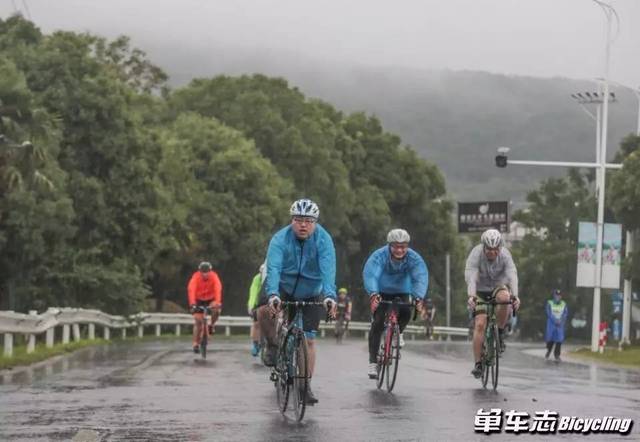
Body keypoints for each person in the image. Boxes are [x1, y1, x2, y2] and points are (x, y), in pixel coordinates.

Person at [262, 198, 337, 405]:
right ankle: (272, 344)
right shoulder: (280, 239)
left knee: (309, 339)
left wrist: (330, 296)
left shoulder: (324, 240)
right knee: (263, 311)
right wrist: (273, 294)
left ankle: (305, 386)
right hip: (283, 287)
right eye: (298, 220)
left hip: (311, 290)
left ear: (315, 222)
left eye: (309, 220)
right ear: (292, 220)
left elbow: (328, 270)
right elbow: (274, 268)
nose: (303, 224)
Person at [363, 228, 429, 379]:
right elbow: (371, 273)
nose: (399, 250)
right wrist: (373, 293)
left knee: (406, 311)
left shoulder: (414, 258)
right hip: (381, 290)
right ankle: (373, 362)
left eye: (403, 246)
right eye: (396, 246)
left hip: (402, 290)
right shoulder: (379, 256)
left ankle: (398, 332)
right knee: (378, 322)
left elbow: (420, 277)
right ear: (389, 245)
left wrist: (418, 297)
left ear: (408, 246)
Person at [465, 229, 520, 378]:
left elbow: (512, 275)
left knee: (505, 298)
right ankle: (478, 364)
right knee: (480, 324)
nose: (492, 252)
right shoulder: (476, 254)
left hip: (498, 286)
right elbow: (471, 278)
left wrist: (515, 296)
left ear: (500, 248)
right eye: (489, 249)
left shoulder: (506, 255)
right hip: (480, 290)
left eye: (495, 249)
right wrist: (471, 296)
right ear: (483, 247)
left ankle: (500, 333)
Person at [187, 261, 223, 354]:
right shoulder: (195, 277)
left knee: (217, 310)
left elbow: (218, 289)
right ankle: (195, 343)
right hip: (198, 299)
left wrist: (218, 302)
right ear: (200, 271)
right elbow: (191, 290)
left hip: (211, 299)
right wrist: (192, 304)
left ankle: (212, 325)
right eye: (203, 272)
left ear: (210, 271)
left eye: (207, 272)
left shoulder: (214, 277)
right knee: (198, 321)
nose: (205, 274)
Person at [247, 262, 266, 357]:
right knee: (256, 323)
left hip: (269, 302)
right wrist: (251, 306)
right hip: (258, 303)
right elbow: (253, 292)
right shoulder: (257, 279)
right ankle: (255, 344)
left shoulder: (272, 278)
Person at [545, 289, 568, 361]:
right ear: (554, 296)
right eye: (556, 295)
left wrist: (561, 320)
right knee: (550, 339)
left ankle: (557, 354)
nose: (558, 297)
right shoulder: (550, 303)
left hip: (560, 324)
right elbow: (548, 312)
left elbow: (565, 313)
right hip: (552, 324)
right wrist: (555, 320)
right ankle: (549, 350)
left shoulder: (564, 304)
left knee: (559, 340)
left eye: (559, 295)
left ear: (561, 296)